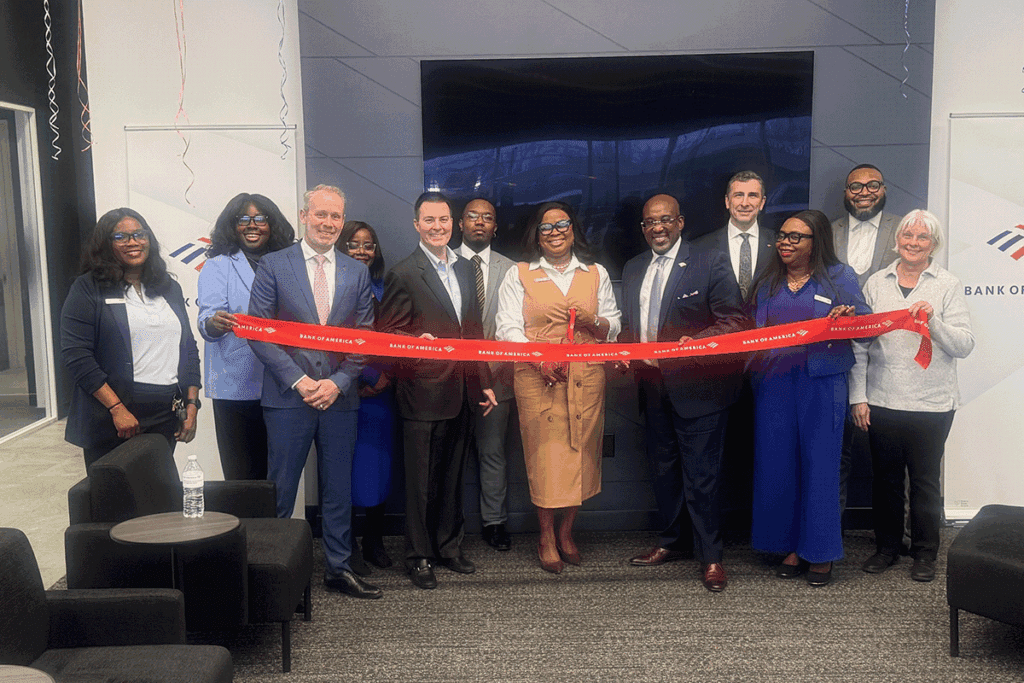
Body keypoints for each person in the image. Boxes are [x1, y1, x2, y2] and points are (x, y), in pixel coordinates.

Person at [247, 184, 381, 600]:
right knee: (282, 489)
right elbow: (259, 331)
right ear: (304, 216)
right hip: (289, 397)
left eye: (336, 216)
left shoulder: (357, 272)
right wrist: (302, 381)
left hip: (340, 398)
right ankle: (276, 575)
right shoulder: (273, 265)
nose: (328, 223)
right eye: (321, 214)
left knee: (338, 487)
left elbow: (364, 337)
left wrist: (338, 382)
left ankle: (338, 569)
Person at [621, 194, 746, 592]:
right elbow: (634, 325)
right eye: (649, 222)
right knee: (664, 472)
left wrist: (699, 341)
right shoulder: (634, 267)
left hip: (701, 390)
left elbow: (736, 321)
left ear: (680, 222)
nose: (657, 228)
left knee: (703, 477)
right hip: (653, 387)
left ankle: (711, 558)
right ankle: (672, 542)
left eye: (664, 220)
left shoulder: (709, 260)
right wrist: (624, 348)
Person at [377, 191, 497, 590]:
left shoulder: (465, 269)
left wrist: (484, 384)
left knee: (452, 477)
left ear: (454, 223)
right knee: (420, 482)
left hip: (462, 391)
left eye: (444, 220)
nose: (437, 227)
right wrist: (415, 343)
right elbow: (388, 335)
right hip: (423, 392)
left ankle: (448, 547)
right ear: (416, 225)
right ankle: (418, 556)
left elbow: (473, 333)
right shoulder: (403, 272)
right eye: (429, 221)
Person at [495, 201, 621, 574]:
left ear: (573, 230)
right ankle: (546, 536)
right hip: (538, 378)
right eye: (546, 227)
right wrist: (538, 359)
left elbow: (613, 327)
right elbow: (507, 328)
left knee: (581, 452)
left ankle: (568, 531)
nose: (554, 232)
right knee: (546, 458)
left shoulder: (595, 273)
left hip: (587, 374)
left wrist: (593, 320)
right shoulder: (519, 274)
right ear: (536, 234)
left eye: (562, 225)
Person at [850, 209, 974, 583]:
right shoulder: (875, 282)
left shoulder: (947, 284)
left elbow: (965, 345)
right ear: (897, 241)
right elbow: (859, 345)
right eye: (908, 237)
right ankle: (887, 548)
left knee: (924, 482)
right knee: (885, 480)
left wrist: (932, 322)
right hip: (883, 399)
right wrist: (858, 396)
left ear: (933, 244)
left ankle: (924, 554)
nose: (914, 244)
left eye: (922, 238)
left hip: (932, 404)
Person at [748, 209, 870, 587]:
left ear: (816, 242)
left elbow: (867, 329)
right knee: (778, 465)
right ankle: (789, 545)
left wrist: (849, 318)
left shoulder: (839, 277)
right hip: (775, 385)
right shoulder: (767, 280)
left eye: (795, 237)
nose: (785, 243)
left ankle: (819, 552)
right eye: (782, 236)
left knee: (820, 468)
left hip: (822, 383)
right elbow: (750, 332)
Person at [62, 208, 201, 468]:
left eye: (139, 234)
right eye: (121, 237)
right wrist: (116, 408)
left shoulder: (169, 288)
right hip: (113, 416)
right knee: (114, 499)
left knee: (156, 500)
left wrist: (192, 404)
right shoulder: (88, 288)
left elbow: (188, 349)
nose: (133, 242)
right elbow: (77, 355)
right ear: (105, 244)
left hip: (164, 413)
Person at [196, 193, 294, 480]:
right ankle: (247, 527)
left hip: (282, 382)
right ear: (232, 225)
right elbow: (206, 318)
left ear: (272, 224)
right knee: (241, 477)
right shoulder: (217, 265)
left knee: (278, 475)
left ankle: (276, 527)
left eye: (260, 218)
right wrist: (214, 323)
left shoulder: (288, 264)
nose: (253, 225)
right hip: (235, 386)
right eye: (244, 219)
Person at [832, 164, 902, 521]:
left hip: (891, 350)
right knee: (836, 447)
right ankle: (832, 531)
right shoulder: (828, 233)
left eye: (872, 185)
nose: (864, 192)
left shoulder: (904, 230)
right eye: (855, 187)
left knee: (892, 450)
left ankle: (895, 535)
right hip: (837, 350)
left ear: (884, 189)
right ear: (845, 193)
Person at [458, 198, 517, 551]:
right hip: (451, 377)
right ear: (460, 223)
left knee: (493, 453)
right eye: (473, 217)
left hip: (496, 375)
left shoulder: (513, 270)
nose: (480, 223)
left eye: (488, 218)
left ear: (495, 227)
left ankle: (494, 523)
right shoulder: (443, 264)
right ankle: (448, 527)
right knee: (448, 456)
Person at [339, 220, 395, 572]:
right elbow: (332, 339)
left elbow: (395, 336)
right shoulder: (333, 286)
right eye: (353, 244)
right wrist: (367, 375)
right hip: (346, 388)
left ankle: (374, 539)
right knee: (343, 469)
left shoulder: (386, 288)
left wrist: (385, 376)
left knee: (379, 468)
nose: (362, 251)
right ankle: (348, 544)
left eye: (368, 245)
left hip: (383, 395)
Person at [693, 170, 777, 300]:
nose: (744, 203)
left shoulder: (778, 244)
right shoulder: (701, 248)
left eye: (752, 196)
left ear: (762, 203)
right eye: (738, 195)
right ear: (727, 201)